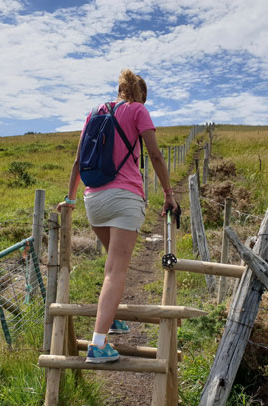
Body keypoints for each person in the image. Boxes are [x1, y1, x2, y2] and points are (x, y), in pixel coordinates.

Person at [57, 69, 179, 363]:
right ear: (140, 95)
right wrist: (168, 193)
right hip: (125, 197)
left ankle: (110, 318)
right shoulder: (138, 112)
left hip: (93, 199)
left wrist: (70, 198)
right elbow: (156, 156)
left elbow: (78, 160)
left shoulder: (95, 112)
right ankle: (98, 345)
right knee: (116, 269)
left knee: (112, 263)